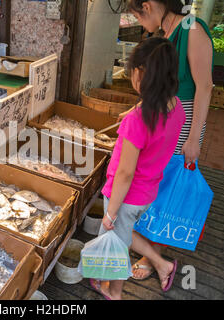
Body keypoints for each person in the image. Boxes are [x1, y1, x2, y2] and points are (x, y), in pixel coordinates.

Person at [119, 0, 213, 281]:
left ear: (147, 5)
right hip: (162, 116)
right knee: (152, 184)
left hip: (181, 121)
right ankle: (147, 244)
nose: (137, 21)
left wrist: (195, 138)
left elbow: (205, 87)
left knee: (165, 188)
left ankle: (153, 255)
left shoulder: (192, 29)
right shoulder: (165, 32)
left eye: (136, 14)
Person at [89, 37, 185, 300]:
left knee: (117, 246)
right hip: (148, 191)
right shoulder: (176, 108)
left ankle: (114, 292)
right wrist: (136, 109)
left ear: (141, 74)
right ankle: (162, 264)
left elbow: (125, 173)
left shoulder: (138, 122)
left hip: (126, 196)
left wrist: (110, 212)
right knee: (125, 233)